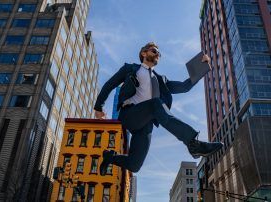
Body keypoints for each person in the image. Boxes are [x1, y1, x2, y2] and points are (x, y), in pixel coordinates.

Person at [94, 42, 223, 175]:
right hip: (129, 114)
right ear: (144, 53)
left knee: (134, 164)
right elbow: (109, 84)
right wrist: (99, 107)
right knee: (155, 103)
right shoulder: (130, 69)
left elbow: (184, 86)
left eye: (159, 54)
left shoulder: (161, 80)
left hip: (146, 123)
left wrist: (201, 66)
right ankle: (193, 144)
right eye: (154, 51)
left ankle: (110, 157)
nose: (157, 55)